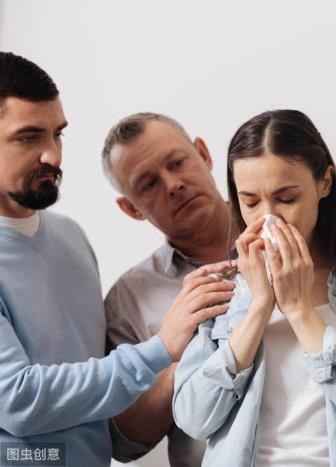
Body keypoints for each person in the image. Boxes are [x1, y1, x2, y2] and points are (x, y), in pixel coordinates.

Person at [101, 112, 336, 466]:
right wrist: (179, 346)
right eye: (251, 202)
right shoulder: (187, 293)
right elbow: (145, 435)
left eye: (177, 162)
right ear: (130, 208)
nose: (268, 218)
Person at [0, 52, 232, 467]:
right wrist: (164, 348)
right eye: (29, 137)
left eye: (57, 135)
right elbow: (17, 401)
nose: (53, 156)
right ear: (131, 207)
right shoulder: (131, 297)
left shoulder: (71, 238)